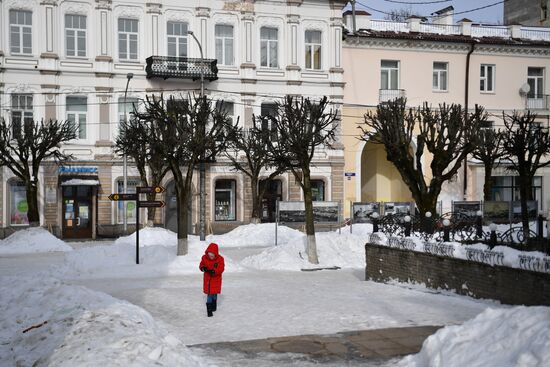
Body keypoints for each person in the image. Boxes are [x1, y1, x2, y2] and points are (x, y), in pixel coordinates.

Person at [199, 242, 225, 317]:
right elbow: (201, 264)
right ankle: (209, 310)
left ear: (216, 254)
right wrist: (203, 268)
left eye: (212, 255)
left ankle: (214, 306)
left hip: (216, 280)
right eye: (209, 255)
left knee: (214, 294)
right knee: (209, 294)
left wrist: (214, 271)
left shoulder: (220, 259)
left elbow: (221, 268)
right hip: (208, 280)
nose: (211, 257)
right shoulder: (204, 258)